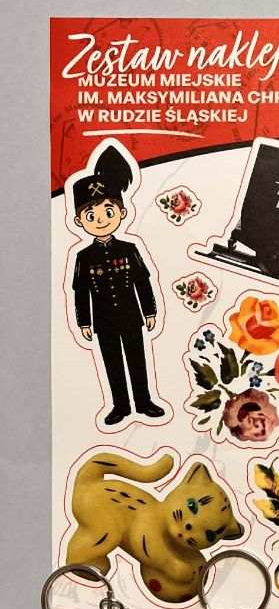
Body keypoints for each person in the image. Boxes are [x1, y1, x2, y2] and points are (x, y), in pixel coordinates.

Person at [69, 143, 165, 426]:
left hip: (131, 315)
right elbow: (80, 291)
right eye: (91, 215)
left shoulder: (129, 249)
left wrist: (150, 311)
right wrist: (83, 321)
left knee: (136, 358)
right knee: (112, 362)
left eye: (108, 212)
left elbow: (142, 281)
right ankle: (120, 406)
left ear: (121, 213)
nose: (100, 220)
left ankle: (143, 402)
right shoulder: (83, 256)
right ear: (79, 221)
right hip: (103, 320)